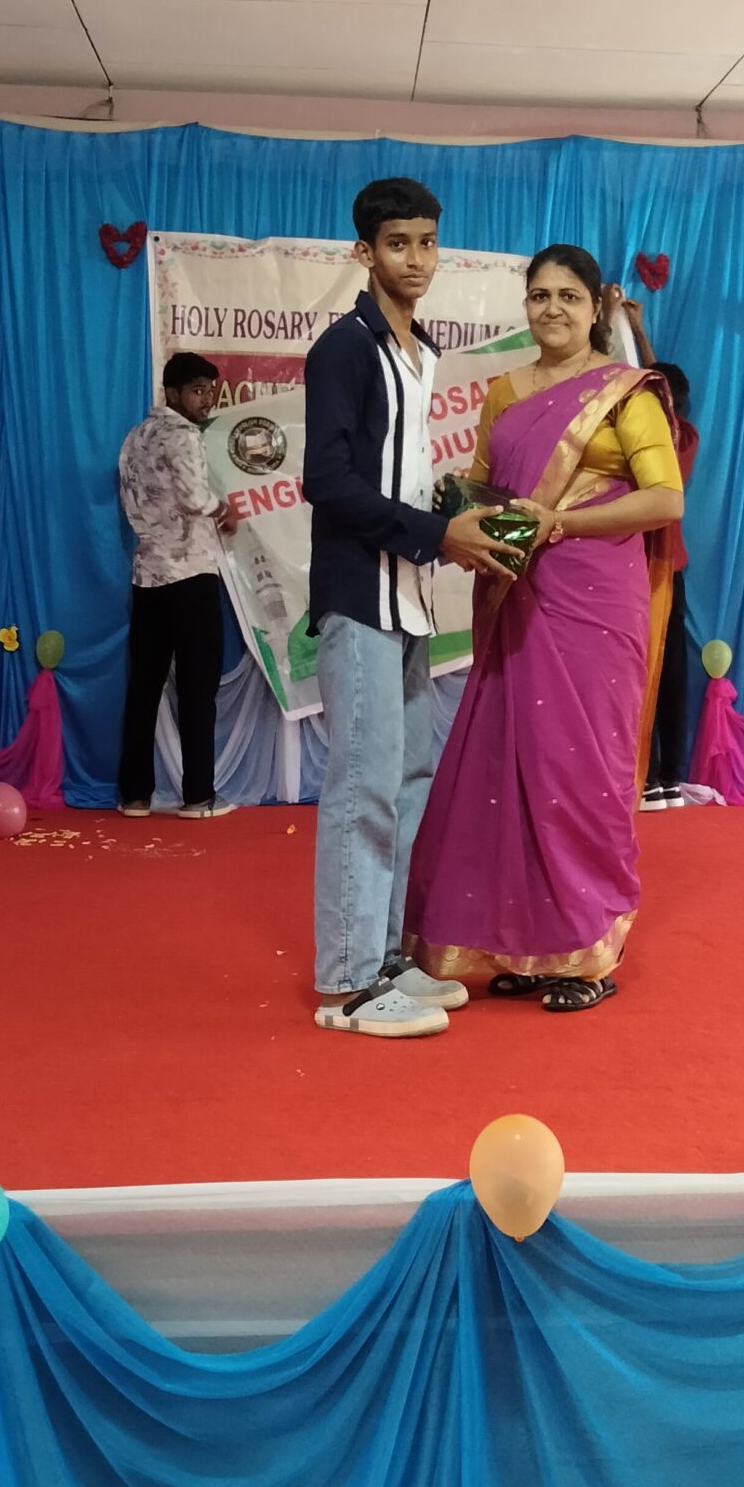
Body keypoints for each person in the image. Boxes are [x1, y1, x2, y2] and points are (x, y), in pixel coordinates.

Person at [403, 246, 684, 1014]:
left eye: (568, 296)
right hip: (516, 597)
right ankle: (528, 947)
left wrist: (563, 522)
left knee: (578, 770)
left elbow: (665, 500)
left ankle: (588, 953)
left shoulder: (627, 394)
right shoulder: (505, 392)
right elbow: (486, 487)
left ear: (595, 309)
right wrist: (460, 518)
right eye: (539, 296)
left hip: (595, 604)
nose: (552, 309)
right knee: (510, 768)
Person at [302, 176, 517, 1041]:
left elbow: (395, 473)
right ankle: (349, 985)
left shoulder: (420, 351)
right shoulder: (345, 348)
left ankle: (385, 957)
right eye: (398, 244)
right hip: (360, 594)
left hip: (413, 600)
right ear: (365, 252)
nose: (416, 259)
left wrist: (454, 509)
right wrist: (437, 531)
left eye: (427, 242)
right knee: (363, 785)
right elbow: (326, 480)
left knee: (407, 783)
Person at [117, 351, 238, 819]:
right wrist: (223, 511)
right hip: (190, 574)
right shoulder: (185, 435)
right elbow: (193, 498)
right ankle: (198, 796)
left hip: (147, 575)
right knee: (197, 687)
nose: (206, 399)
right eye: (197, 390)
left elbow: (130, 496)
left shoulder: (134, 437)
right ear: (171, 393)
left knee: (144, 688)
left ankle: (134, 796)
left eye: (210, 390)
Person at [604, 284, 700, 810]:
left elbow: (648, 391)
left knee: (642, 666)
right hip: (669, 565)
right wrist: (638, 331)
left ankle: (644, 773)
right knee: (669, 668)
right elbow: (662, 388)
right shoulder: (687, 436)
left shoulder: (654, 440)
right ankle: (667, 777)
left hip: (646, 565)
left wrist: (618, 324)